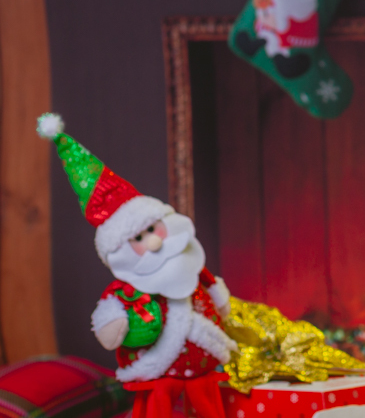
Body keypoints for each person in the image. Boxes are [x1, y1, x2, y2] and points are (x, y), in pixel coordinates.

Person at [36, 113, 237, 418]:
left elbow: (212, 287)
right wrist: (112, 325)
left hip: (204, 368)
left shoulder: (189, 263)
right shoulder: (128, 288)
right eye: (140, 238)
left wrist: (223, 305)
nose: (154, 242)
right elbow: (110, 312)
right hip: (158, 371)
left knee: (210, 405)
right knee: (155, 407)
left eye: (153, 230)